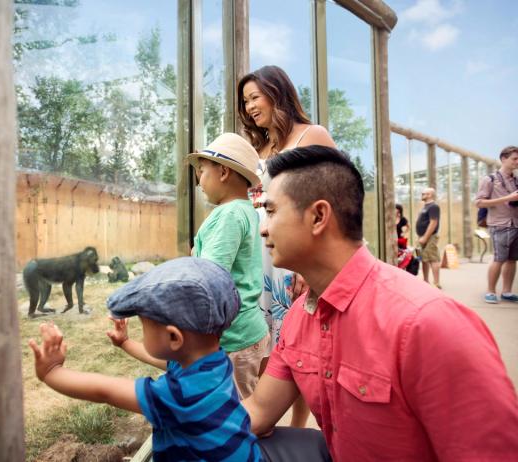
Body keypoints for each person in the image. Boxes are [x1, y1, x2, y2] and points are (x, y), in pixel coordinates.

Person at [241, 145, 518, 461]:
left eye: (272, 211)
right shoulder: (300, 316)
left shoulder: (429, 324)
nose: (263, 228)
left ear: (318, 216)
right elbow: (260, 411)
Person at [29, 257, 264, 461]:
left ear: (174, 337)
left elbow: (105, 391)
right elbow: (166, 363)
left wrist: (52, 372)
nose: (142, 329)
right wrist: (125, 343)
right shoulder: (215, 363)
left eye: (144, 324)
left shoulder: (179, 395)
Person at [238, 65, 336, 427]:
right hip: (260, 254)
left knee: (299, 342)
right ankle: (270, 421)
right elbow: (255, 203)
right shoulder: (259, 147)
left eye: (254, 97)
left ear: (276, 92)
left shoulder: (312, 135)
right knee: (268, 339)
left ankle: (298, 427)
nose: (248, 107)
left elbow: (332, 195)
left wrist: (307, 267)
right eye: (244, 102)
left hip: (297, 255)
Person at [185, 132, 270, 399]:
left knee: (237, 415)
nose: (199, 181)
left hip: (233, 338)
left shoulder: (228, 215)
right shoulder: (246, 210)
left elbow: (211, 276)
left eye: (202, 171)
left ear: (223, 172)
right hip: (248, 328)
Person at [474, 145, 518, 304]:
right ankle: (491, 291)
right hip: (499, 225)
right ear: (503, 159)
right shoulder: (490, 179)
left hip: (516, 224)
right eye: (514, 158)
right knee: (499, 259)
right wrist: (507, 199)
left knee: (512, 260)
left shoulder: (516, 180)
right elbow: (478, 202)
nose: (517, 162)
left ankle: (506, 291)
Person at [415, 187, 441, 288]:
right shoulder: (425, 206)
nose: (422, 195)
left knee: (432, 258)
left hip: (430, 237)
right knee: (424, 258)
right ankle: (425, 281)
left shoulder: (433, 207)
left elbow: (433, 222)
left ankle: (436, 283)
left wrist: (425, 237)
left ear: (430, 195)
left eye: (424, 194)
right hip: (422, 236)